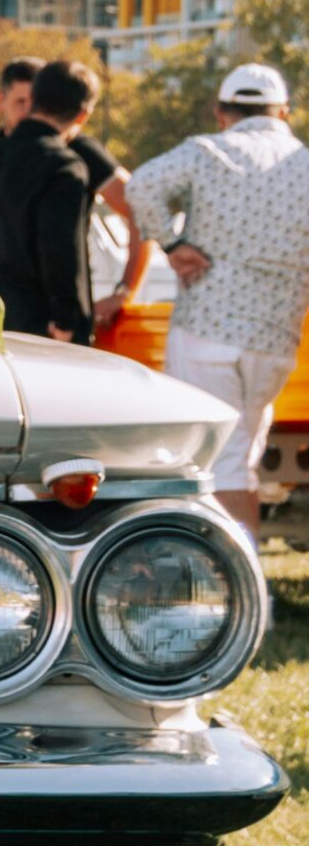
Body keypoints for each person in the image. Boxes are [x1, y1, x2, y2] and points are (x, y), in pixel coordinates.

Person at [125, 62, 309, 536]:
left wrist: (172, 245)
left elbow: (141, 185)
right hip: (274, 335)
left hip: (207, 325)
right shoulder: (303, 164)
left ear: (222, 112)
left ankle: (229, 576)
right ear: (284, 112)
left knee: (211, 460)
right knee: (240, 451)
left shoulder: (207, 151)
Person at [0, 60, 103, 347]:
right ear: (82, 116)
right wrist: (67, 319)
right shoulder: (64, 166)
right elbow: (60, 247)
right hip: (40, 329)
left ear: (34, 101)